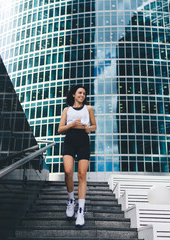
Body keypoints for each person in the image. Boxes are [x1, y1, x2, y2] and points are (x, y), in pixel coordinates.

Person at [58, 85, 97, 226]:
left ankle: (80, 210)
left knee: (82, 174)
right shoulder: (67, 110)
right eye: (80, 93)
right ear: (74, 95)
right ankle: (70, 200)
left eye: (84, 93)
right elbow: (60, 129)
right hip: (70, 140)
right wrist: (72, 124)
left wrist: (89, 128)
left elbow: (94, 126)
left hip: (83, 141)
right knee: (68, 172)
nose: (82, 95)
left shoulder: (89, 109)